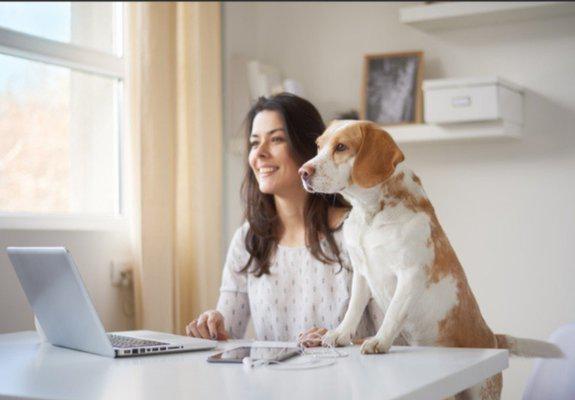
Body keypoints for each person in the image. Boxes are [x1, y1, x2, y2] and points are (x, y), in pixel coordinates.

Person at [185, 93, 382, 346]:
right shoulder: (248, 239)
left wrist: (339, 340)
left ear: (310, 148)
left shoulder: (358, 232)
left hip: (350, 383)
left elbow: (396, 341)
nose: (260, 153)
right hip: (271, 384)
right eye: (255, 143)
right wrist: (212, 325)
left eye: (276, 139)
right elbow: (228, 333)